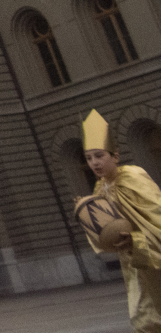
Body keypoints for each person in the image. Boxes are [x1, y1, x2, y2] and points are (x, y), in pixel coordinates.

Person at [78, 109, 161, 331]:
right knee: (143, 318)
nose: (94, 163)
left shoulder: (133, 177)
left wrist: (137, 241)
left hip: (154, 257)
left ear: (115, 156)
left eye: (99, 155)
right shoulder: (99, 186)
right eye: (88, 158)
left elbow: (157, 218)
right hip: (134, 264)